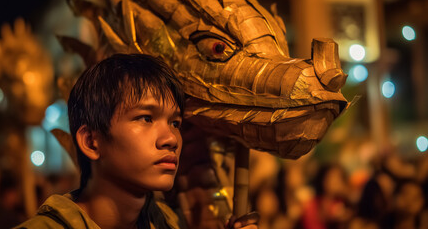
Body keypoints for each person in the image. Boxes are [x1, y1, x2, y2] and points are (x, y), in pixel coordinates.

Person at [15, 54, 257, 229]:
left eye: (175, 123)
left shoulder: (169, 223)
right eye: (146, 118)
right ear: (91, 141)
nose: (171, 139)